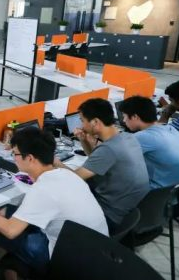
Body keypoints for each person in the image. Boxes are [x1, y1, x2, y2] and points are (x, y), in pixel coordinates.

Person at [0, 128, 108, 280]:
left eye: (15, 154)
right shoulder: (67, 174)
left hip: (68, 263)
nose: (13, 158)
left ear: (30, 158)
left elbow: (11, 230)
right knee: (4, 213)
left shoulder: (43, 189)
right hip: (98, 253)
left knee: (1, 229)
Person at [56, 98, 149, 230]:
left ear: (95, 122)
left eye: (82, 121)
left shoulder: (109, 149)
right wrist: (83, 140)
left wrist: (55, 162)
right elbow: (96, 160)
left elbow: (73, 178)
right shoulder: (127, 137)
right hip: (126, 207)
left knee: (59, 196)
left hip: (107, 214)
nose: (81, 126)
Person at [119, 96, 179, 189]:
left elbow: (112, 155)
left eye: (124, 116)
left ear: (135, 117)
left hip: (159, 190)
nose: (124, 120)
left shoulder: (143, 137)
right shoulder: (170, 128)